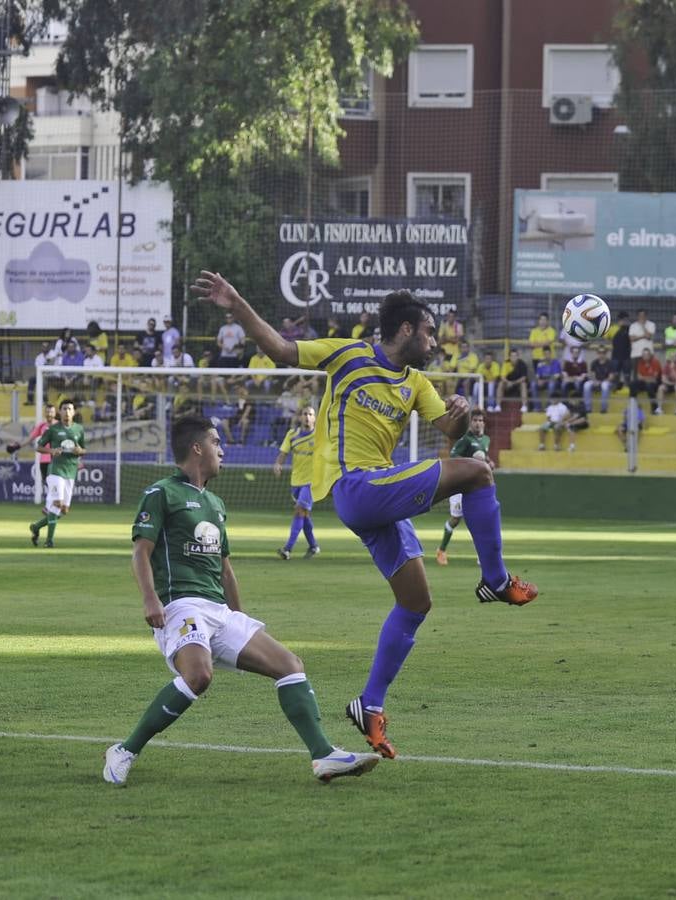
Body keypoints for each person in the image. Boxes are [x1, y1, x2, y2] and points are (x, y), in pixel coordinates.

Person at [192, 270, 538, 760]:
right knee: (479, 473)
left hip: (379, 495)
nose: (435, 342)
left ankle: (368, 705)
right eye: (429, 332)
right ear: (404, 331)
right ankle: (496, 580)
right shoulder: (349, 354)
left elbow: (449, 428)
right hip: (356, 486)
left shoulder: (416, 383)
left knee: (416, 602)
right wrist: (236, 301)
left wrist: (459, 413)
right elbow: (281, 351)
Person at [104, 414, 380, 787]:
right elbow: (141, 552)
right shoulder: (161, 493)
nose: (223, 450)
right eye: (216, 443)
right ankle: (125, 750)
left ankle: (323, 756)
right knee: (198, 676)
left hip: (218, 610)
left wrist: (238, 617)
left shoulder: (216, 503)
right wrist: (150, 600)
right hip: (180, 605)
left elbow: (225, 568)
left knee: (289, 664)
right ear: (197, 448)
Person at [436, 409, 492, 566]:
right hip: (459, 485)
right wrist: (471, 461)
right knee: (455, 520)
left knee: (478, 519)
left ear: (484, 423)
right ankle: (441, 550)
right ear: (470, 422)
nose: (478, 423)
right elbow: (454, 457)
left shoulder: (486, 439)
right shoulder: (465, 439)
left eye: (481, 420)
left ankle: (483, 556)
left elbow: (484, 457)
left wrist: (489, 462)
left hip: (475, 487)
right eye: (475, 420)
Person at [29, 399, 86, 548]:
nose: (67, 412)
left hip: (70, 471)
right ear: (59, 412)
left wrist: (80, 451)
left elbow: (84, 449)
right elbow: (39, 447)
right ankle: (49, 541)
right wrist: (52, 451)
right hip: (55, 471)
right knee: (57, 503)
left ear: (74, 412)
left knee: (64, 510)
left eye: (70, 409)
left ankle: (36, 527)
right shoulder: (53, 430)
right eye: (64, 409)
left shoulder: (79, 429)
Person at [273, 405, 321, 561]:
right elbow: (283, 453)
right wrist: (278, 463)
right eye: (305, 414)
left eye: (310, 414)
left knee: (299, 510)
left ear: (315, 418)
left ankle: (287, 549)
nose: (307, 417)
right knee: (304, 515)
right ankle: (314, 546)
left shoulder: (320, 436)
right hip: (296, 481)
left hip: (312, 481)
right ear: (300, 417)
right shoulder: (292, 435)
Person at [630, 348, 662, 413]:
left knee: (649, 386)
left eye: (647, 354)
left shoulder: (655, 362)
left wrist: (644, 378)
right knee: (632, 384)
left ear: (650, 355)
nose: (645, 356)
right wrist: (647, 378)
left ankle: (654, 408)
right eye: (644, 354)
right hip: (645, 383)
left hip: (655, 383)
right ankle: (633, 405)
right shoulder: (640, 362)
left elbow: (654, 378)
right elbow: (639, 377)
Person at [584, 347, 614, 413]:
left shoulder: (610, 363)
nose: (601, 354)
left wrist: (602, 382)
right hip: (596, 381)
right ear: (597, 353)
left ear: (606, 354)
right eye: (600, 353)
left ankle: (603, 408)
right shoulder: (594, 363)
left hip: (607, 382)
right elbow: (592, 374)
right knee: (586, 385)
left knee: (604, 385)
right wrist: (595, 381)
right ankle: (588, 408)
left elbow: (611, 377)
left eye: (603, 353)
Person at [610, 310, 632, 386]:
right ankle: (615, 389)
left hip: (627, 356)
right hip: (615, 356)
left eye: (627, 320)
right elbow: (606, 337)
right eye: (624, 319)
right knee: (615, 374)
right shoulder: (613, 328)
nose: (625, 321)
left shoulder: (630, 329)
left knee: (627, 375)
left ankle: (627, 389)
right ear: (619, 319)